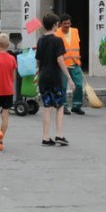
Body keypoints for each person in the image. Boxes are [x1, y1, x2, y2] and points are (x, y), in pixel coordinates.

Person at [35, 12, 74, 146]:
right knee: (59, 105)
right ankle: (59, 134)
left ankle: (45, 137)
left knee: (47, 106)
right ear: (55, 25)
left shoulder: (40, 40)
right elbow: (60, 60)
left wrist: (38, 74)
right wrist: (69, 77)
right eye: (57, 24)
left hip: (44, 77)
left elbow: (38, 61)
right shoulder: (57, 40)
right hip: (55, 77)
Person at [54, 14, 85, 115]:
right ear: (60, 24)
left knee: (79, 85)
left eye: (68, 23)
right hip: (63, 64)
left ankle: (76, 106)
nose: (67, 25)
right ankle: (64, 106)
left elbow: (76, 45)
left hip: (75, 63)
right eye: (65, 23)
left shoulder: (75, 31)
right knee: (63, 86)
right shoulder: (56, 33)